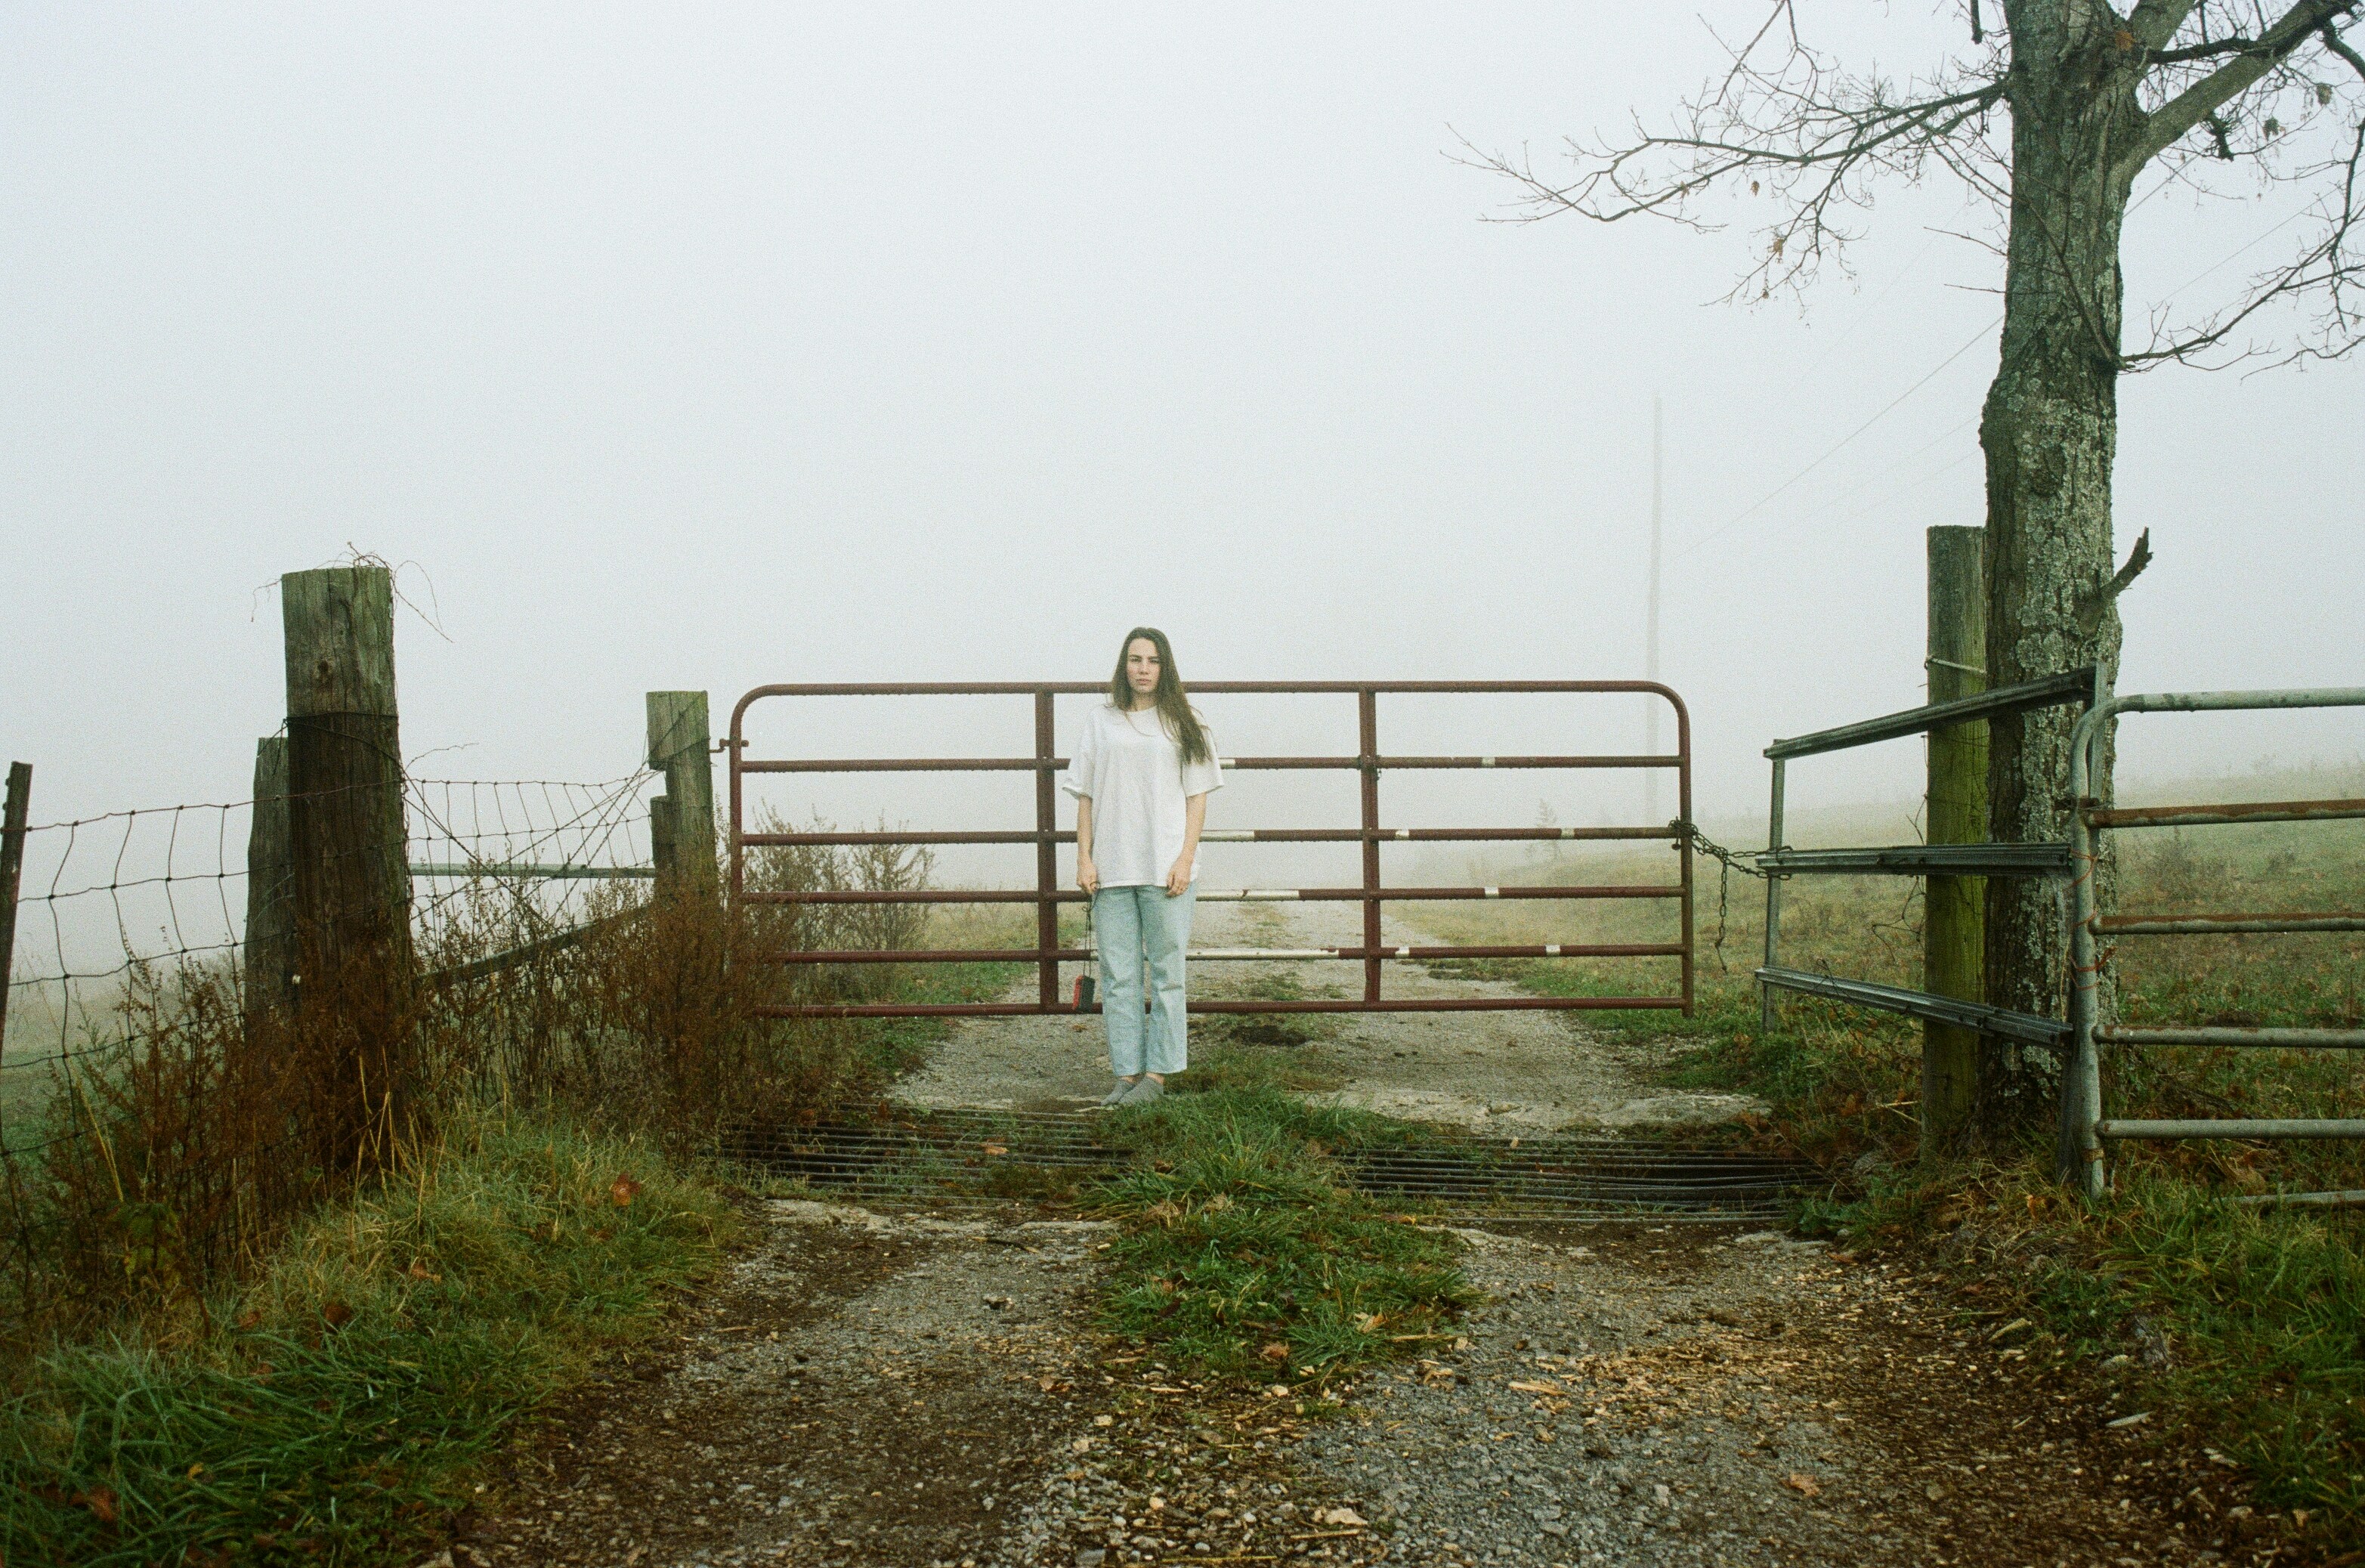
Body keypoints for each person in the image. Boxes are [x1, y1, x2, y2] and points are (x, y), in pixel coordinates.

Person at [1062, 627, 1223, 1106]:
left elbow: (1197, 798)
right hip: (1112, 868)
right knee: (1119, 975)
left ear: (1164, 666)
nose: (1144, 668)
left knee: (1168, 972)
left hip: (1166, 868)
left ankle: (1159, 1074)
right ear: (1124, 666)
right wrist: (1084, 857)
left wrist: (1186, 856)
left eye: (1152, 660)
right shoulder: (1100, 721)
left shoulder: (1185, 722)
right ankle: (1126, 1072)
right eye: (1135, 659)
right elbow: (1086, 797)